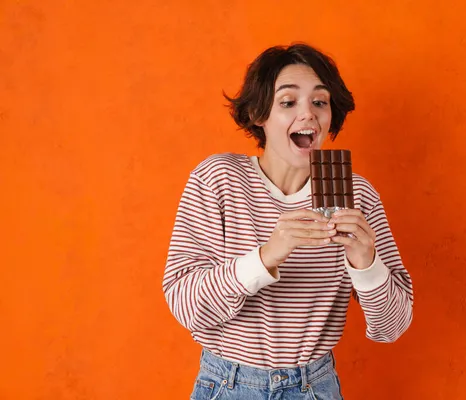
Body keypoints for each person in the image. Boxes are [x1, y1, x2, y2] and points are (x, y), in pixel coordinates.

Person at [163, 43, 413, 400]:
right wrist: (266, 255)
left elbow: (393, 327)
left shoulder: (357, 196)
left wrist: (367, 265)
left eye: (319, 102)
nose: (308, 114)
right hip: (228, 385)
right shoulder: (218, 179)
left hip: (315, 387)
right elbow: (187, 307)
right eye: (288, 102)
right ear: (258, 114)